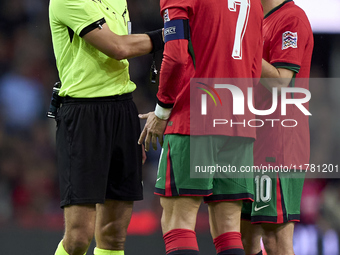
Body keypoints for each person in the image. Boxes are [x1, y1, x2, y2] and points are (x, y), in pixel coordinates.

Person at [138, 0, 263, 254]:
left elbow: (174, 56)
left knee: (178, 222)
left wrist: (162, 111)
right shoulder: (255, 3)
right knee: (229, 230)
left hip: (194, 119)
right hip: (239, 122)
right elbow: (255, 68)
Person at [48, 0, 163, 254]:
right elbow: (118, 47)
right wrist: (170, 35)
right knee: (79, 236)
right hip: (83, 114)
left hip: (122, 110)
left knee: (113, 235)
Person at [240, 0, 314, 255]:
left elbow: (281, 82)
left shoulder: (291, 19)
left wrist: (241, 47)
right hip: (249, 141)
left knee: (275, 241)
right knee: (244, 238)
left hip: (278, 144)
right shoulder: (254, 19)